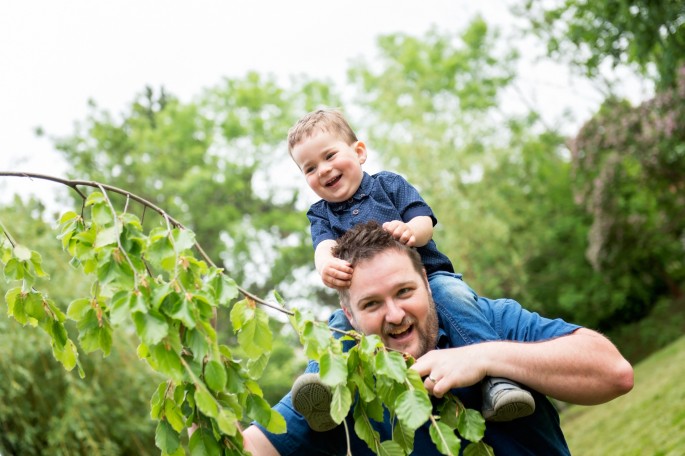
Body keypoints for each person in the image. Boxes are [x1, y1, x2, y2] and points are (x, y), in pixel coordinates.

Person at [242, 221, 634, 455]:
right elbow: (254, 449)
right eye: (372, 304)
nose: (394, 315)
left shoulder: (487, 322)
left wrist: (484, 358)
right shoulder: (338, 379)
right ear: (349, 315)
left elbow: (614, 373)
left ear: (428, 285)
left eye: (404, 292)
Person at [286, 108, 534, 430]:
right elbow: (323, 248)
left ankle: (498, 378)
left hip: (429, 278)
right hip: (373, 299)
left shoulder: (387, 184)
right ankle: (322, 384)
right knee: (336, 325)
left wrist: (410, 232)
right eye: (310, 168)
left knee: (455, 297)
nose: (324, 169)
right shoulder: (320, 214)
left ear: (359, 152)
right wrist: (326, 266)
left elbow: (423, 220)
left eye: (330, 155)